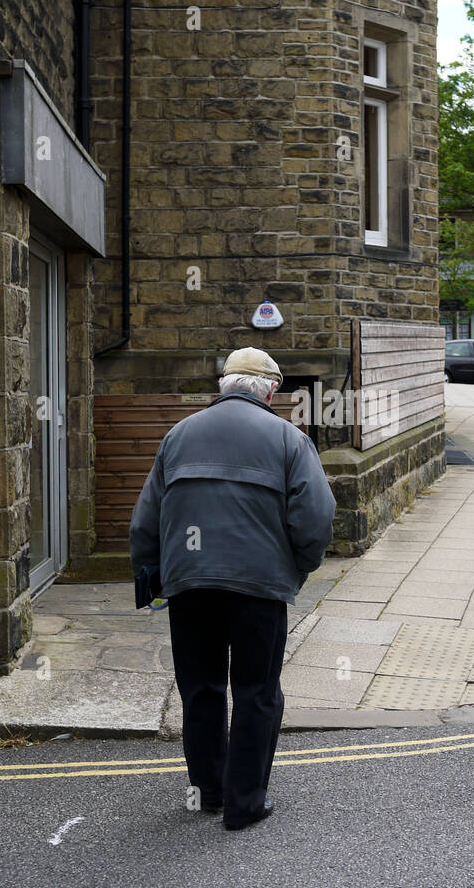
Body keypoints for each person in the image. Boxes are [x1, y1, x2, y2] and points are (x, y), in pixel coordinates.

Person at [129, 347, 336, 831]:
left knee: (200, 690)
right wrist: (297, 568)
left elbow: (146, 519)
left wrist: (153, 572)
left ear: (223, 385)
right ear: (270, 389)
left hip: (190, 586)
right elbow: (317, 518)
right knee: (256, 691)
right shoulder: (289, 439)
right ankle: (245, 804)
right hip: (258, 588)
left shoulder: (178, 435)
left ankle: (209, 794)